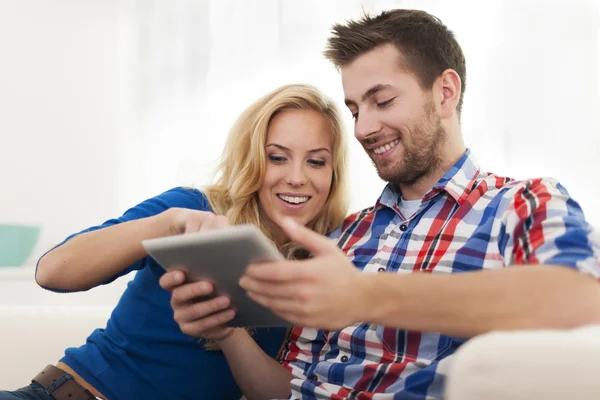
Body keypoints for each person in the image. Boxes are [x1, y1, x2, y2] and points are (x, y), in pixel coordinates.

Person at [161, 9, 600, 400]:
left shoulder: (519, 204)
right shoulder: (344, 235)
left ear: (445, 92)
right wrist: (228, 330)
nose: (363, 128)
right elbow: (286, 389)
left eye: (382, 100)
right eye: (354, 110)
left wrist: (364, 295)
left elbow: (582, 300)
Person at [0, 83, 349, 400]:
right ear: (253, 159)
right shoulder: (192, 208)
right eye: (277, 157)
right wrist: (168, 224)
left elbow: (285, 393)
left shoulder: (330, 262)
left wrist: (229, 333)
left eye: (316, 161)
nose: (297, 178)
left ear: (333, 173)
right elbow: (52, 272)